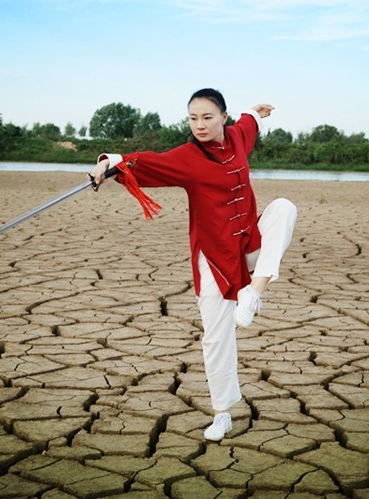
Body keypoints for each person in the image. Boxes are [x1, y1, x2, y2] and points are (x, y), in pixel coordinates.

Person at [90, 88, 297, 441]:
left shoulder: (239, 135)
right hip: (214, 257)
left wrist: (257, 111)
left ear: (223, 118)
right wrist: (108, 163)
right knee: (216, 336)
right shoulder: (187, 156)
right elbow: (144, 161)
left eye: (207, 117)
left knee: (284, 208)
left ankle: (255, 292)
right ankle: (222, 414)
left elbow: (251, 121)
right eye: (193, 118)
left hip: (249, 245)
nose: (199, 125)